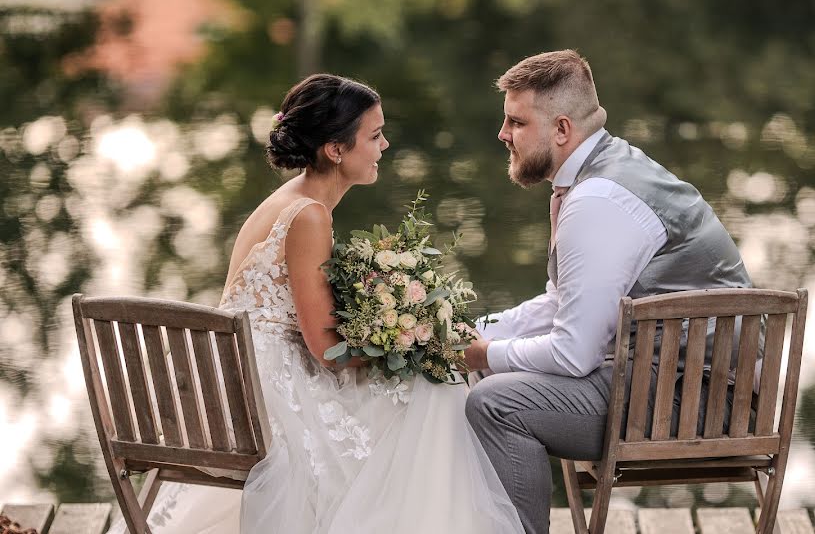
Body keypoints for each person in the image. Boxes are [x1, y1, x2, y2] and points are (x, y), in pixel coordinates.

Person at [110, 74, 524, 534]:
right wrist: (412, 343)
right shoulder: (307, 215)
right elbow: (325, 351)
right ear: (335, 149)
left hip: (243, 379)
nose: (384, 145)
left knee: (427, 387)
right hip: (265, 397)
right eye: (374, 135)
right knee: (436, 388)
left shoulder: (295, 202)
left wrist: (400, 331)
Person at [463, 50, 753, 534]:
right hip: (671, 383)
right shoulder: (605, 170)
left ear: (560, 130)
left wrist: (481, 354)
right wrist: (469, 331)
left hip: (693, 401)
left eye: (515, 122)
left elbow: (574, 353)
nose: (502, 134)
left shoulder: (598, 200)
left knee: (494, 402)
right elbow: (562, 303)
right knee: (488, 377)